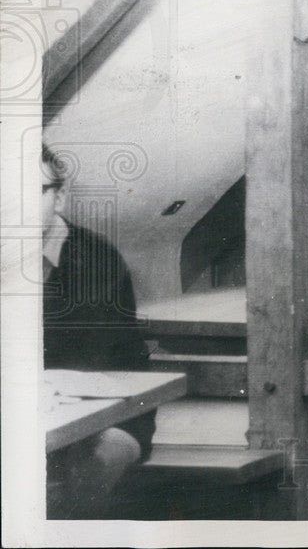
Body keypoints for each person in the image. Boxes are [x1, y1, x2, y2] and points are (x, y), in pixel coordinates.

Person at [41, 144, 155, 518]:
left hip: (114, 415)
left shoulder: (95, 260)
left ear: (58, 198)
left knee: (87, 471)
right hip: (44, 414)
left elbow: (93, 369)